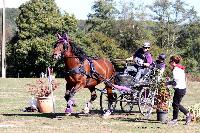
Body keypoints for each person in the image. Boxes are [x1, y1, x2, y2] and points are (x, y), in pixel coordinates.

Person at [167, 55, 192, 126]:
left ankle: (175, 120)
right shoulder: (180, 68)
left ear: (173, 62)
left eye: (170, 61)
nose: (170, 63)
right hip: (182, 88)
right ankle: (188, 114)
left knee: (175, 104)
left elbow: (175, 82)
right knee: (176, 104)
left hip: (179, 89)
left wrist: (168, 83)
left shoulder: (176, 70)